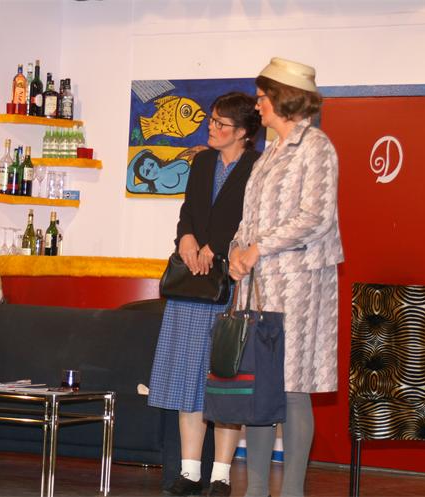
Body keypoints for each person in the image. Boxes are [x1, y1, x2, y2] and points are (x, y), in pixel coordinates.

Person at [228, 57, 344, 497]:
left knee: (292, 388)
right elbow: (249, 219)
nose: (257, 105)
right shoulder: (268, 154)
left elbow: (315, 216)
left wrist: (258, 248)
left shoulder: (316, 147)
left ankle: (292, 490)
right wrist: (236, 251)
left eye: (262, 97)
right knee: (260, 387)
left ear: (283, 98)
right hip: (258, 286)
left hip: (299, 284)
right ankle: (256, 489)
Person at [148, 92, 261, 496]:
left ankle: (220, 476)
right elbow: (188, 211)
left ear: (243, 132)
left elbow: (254, 220)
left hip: (231, 285)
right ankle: (190, 471)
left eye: (221, 124)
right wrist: (187, 238)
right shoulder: (202, 162)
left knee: (224, 382)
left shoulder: (258, 167)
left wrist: (218, 245)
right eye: (211, 120)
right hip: (191, 286)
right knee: (186, 380)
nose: (211, 128)